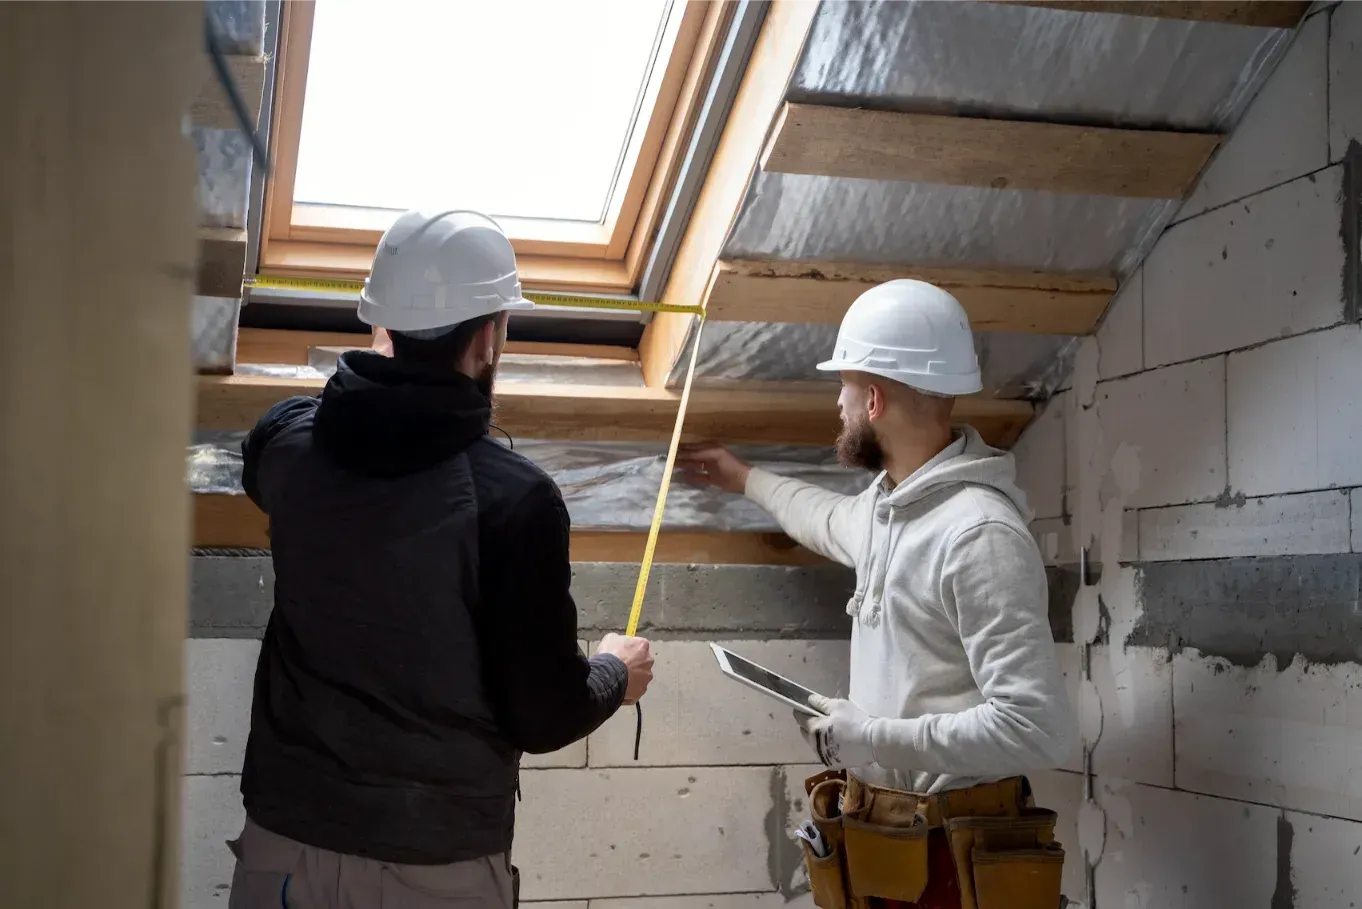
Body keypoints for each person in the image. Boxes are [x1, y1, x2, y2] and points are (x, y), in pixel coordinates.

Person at [227, 210, 654, 908]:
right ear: (488, 337)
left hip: (282, 844)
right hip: (433, 867)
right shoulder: (516, 502)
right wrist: (616, 672)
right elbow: (543, 715)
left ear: (380, 327)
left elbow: (280, 454)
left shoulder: (286, 446)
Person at [678, 279, 1074, 909]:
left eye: (843, 386)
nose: (837, 403)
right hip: (895, 841)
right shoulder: (889, 508)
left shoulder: (978, 534)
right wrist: (742, 477)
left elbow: (1038, 729)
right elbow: (824, 518)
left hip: (955, 855)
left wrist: (875, 737)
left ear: (873, 398)